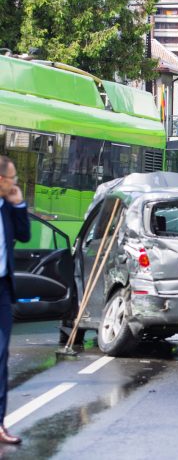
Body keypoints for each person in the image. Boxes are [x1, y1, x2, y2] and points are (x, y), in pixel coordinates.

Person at [0, 156, 30, 444]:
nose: (15, 183)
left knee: (0, 357)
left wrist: (19, 204)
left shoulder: (8, 208)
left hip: (2, 289)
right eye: (12, 179)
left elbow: (24, 235)